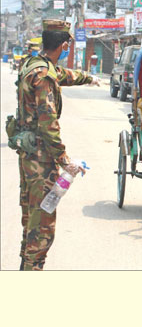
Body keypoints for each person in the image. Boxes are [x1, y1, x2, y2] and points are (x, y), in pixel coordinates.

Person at [14, 19, 99, 270]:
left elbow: (64, 75)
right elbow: (48, 124)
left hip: (28, 157)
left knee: (31, 221)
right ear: (63, 45)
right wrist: (65, 161)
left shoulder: (34, 65)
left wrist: (89, 78)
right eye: (67, 46)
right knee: (42, 228)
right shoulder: (44, 76)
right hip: (40, 160)